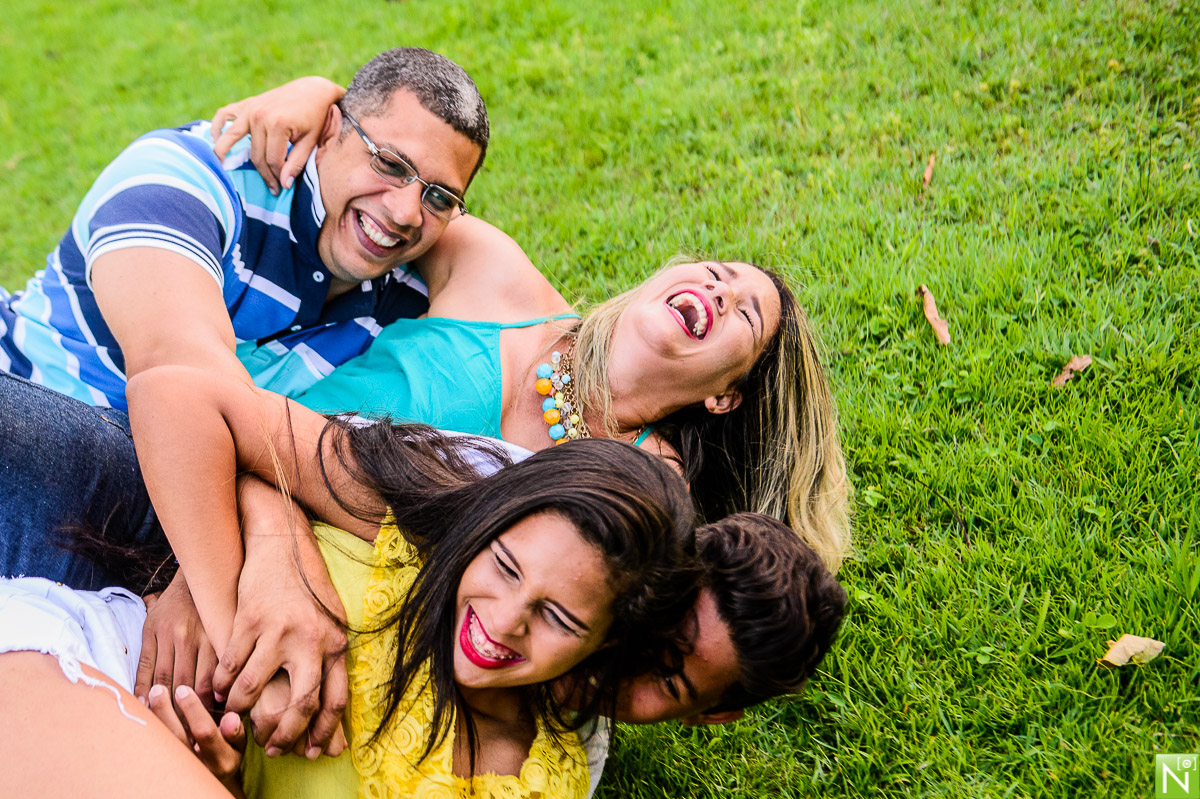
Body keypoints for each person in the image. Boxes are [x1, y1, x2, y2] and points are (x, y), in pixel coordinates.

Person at [0, 47, 489, 751]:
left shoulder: (409, 295)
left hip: (135, 497)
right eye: (390, 163)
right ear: (330, 129)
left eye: (440, 196)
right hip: (46, 409)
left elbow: (540, 314)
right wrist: (243, 611)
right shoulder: (187, 177)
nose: (407, 212)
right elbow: (183, 379)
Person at [1, 386, 702, 797]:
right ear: (489, 525)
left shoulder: (551, 771)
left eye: (556, 616)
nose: (507, 621)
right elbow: (189, 396)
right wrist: (238, 601)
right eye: (508, 568)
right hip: (83, 657)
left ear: (603, 640)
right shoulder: (407, 538)